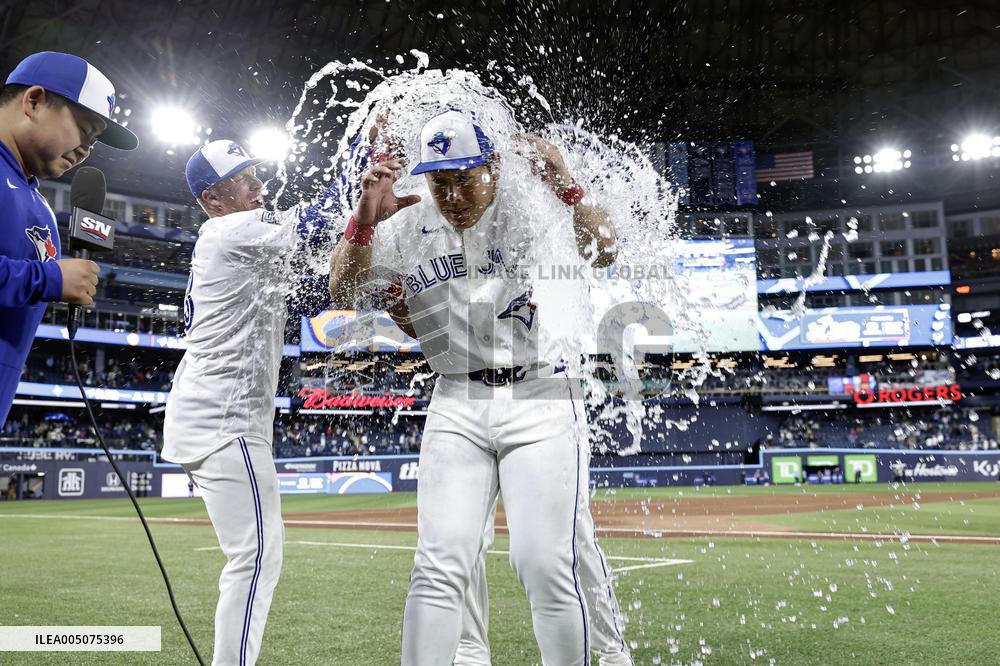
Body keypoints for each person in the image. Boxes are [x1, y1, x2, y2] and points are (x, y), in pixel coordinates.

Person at [328, 109, 618, 664]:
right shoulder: (407, 219)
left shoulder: (528, 206)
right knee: (439, 562)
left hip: (539, 394)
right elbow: (343, 289)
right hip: (456, 398)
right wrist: (363, 223)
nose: (454, 194)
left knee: (542, 562)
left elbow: (604, 251)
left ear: (494, 168)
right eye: (441, 182)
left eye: (466, 178)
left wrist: (570, 188)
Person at [162, 139, 332, 666]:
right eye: (243, 179)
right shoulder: (230, 231)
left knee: (255, 555)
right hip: (223, 419)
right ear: (212, 200)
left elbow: (316, 291)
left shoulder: (240, 239)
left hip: (218, 416)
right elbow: (319, 221)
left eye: (255, 173)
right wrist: (367, 161)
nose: (258, 186)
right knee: (256, 556)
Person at [0, 51, 137, 427]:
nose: (87, 149)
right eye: (84, 129)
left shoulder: (38, 203)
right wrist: (50, 279)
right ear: (34, 101)